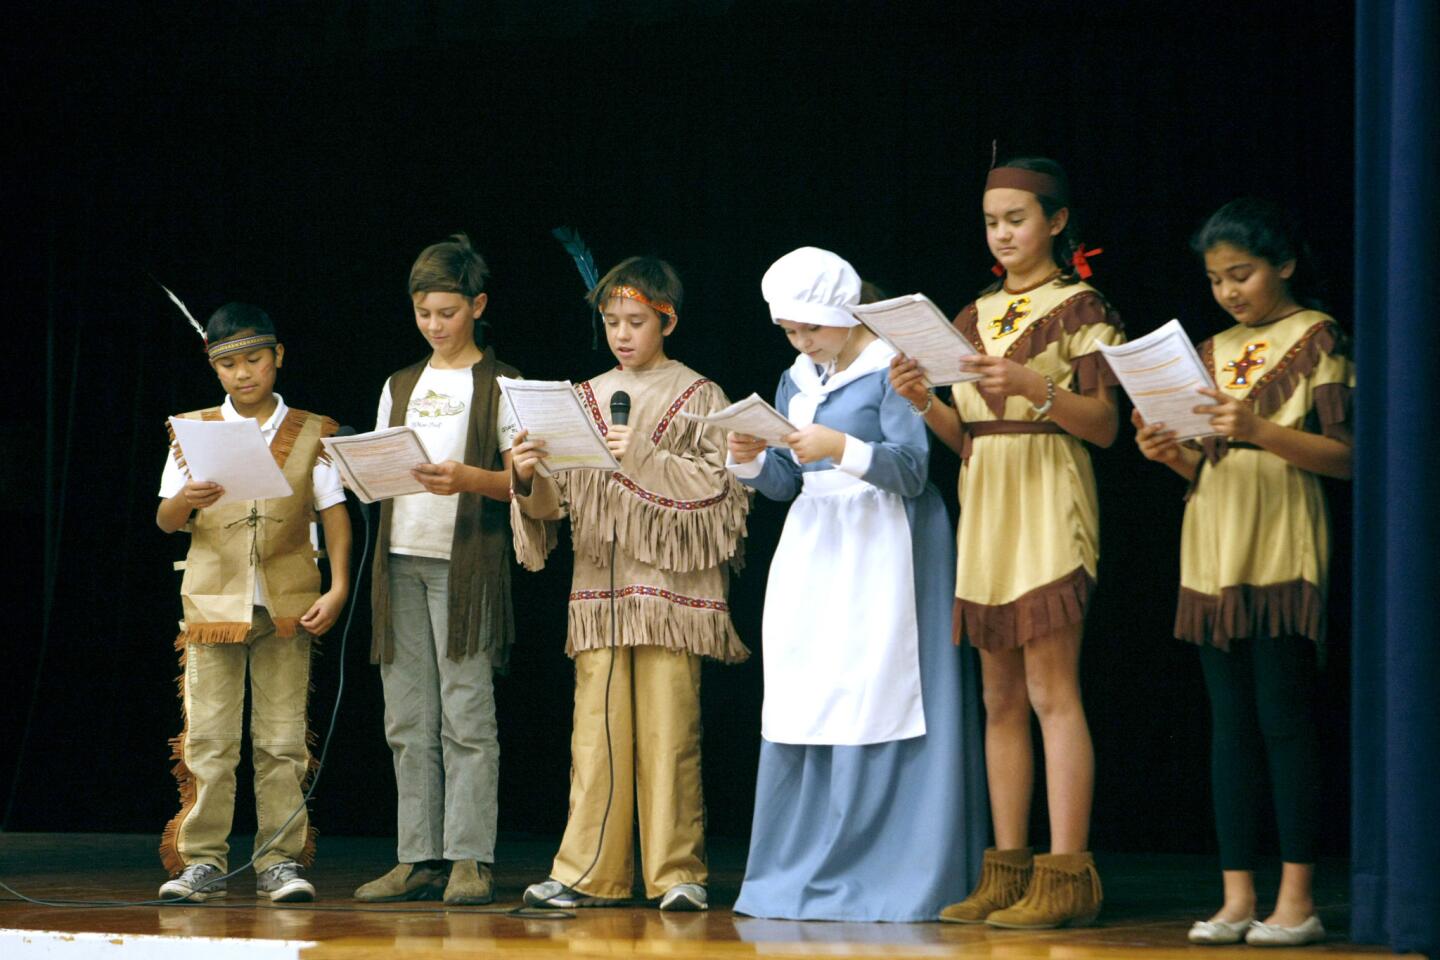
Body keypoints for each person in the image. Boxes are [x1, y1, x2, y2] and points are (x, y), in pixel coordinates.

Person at [891, 157, 1122, 928]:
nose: (1003, 234)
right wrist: (925, 402)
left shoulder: (1082, 306)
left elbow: (1105, 427)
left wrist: (1035, 389)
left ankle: (1067, 873)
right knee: (999, 698)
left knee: (1054, 690)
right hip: (987, 495)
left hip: (1049, 492)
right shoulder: (973, 313)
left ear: (1055, 221)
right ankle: (1008, 868)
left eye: (1018, 219)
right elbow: (966, 440)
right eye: (993, 222)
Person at [728, 247, 988, 921]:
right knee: (814, 695)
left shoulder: (890, 368)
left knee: (884, 691)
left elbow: (912, 471)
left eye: (811, 328)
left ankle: (896, 871)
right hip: (819, 552)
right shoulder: (796, 379)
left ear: (844, 313)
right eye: (790, 331)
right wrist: (751, 462)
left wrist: (841, 447)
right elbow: (790, 482)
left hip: (888, 544)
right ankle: (800, 872)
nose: (802, 342)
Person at [1134, 198, 1352, 948]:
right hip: (1214, 539)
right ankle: (1235, 896)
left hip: (1282, 539)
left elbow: (1349, 456)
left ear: (1284, 265)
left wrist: (1260, 428)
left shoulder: (1317, 335)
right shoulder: (1211, 347)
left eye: (1243, 274)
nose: (1229, 291)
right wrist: (1172, 455)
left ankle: (1297, 897)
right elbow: (1208, 461)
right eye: (1217, 279)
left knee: (1283, 719)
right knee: (1229, 727)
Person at [510, 256, 750, 912]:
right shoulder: (581, 396)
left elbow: (722, 491)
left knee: (671, 731)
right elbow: (556, 505)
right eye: (611, 321)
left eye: (636, 321)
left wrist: (640, 454)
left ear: (666, 321)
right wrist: (528, 476)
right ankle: (588, 871)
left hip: (670, 593)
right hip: (602, 588)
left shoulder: (699, 393)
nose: (622, 333)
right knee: (596, 731)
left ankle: (676, 872)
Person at [156, 303, 351, 903]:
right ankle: (203, 860)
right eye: (230, 365)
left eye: (254, 360)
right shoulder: (195, 430)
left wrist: (339, 586)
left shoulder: (312, 430)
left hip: (287, 601)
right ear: (215, 369)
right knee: (210, 739)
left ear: (277, 357)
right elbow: (165, 520)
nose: (244, 374)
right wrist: (187, 497)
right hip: (215, 603)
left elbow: (334, 515)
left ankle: (280, 861)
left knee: (282, 740)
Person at [353, 234, 521, 905]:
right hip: (400, 562)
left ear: (477, 305)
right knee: (407, 717)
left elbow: (524, 485)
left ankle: (470, 858)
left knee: (467, 714)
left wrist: (468, 478)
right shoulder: (400, 384)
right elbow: (382, 467)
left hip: (466, 566)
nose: (435, 325)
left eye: (448, 312)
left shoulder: (502, 383)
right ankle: (416, 855)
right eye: (424, 313)